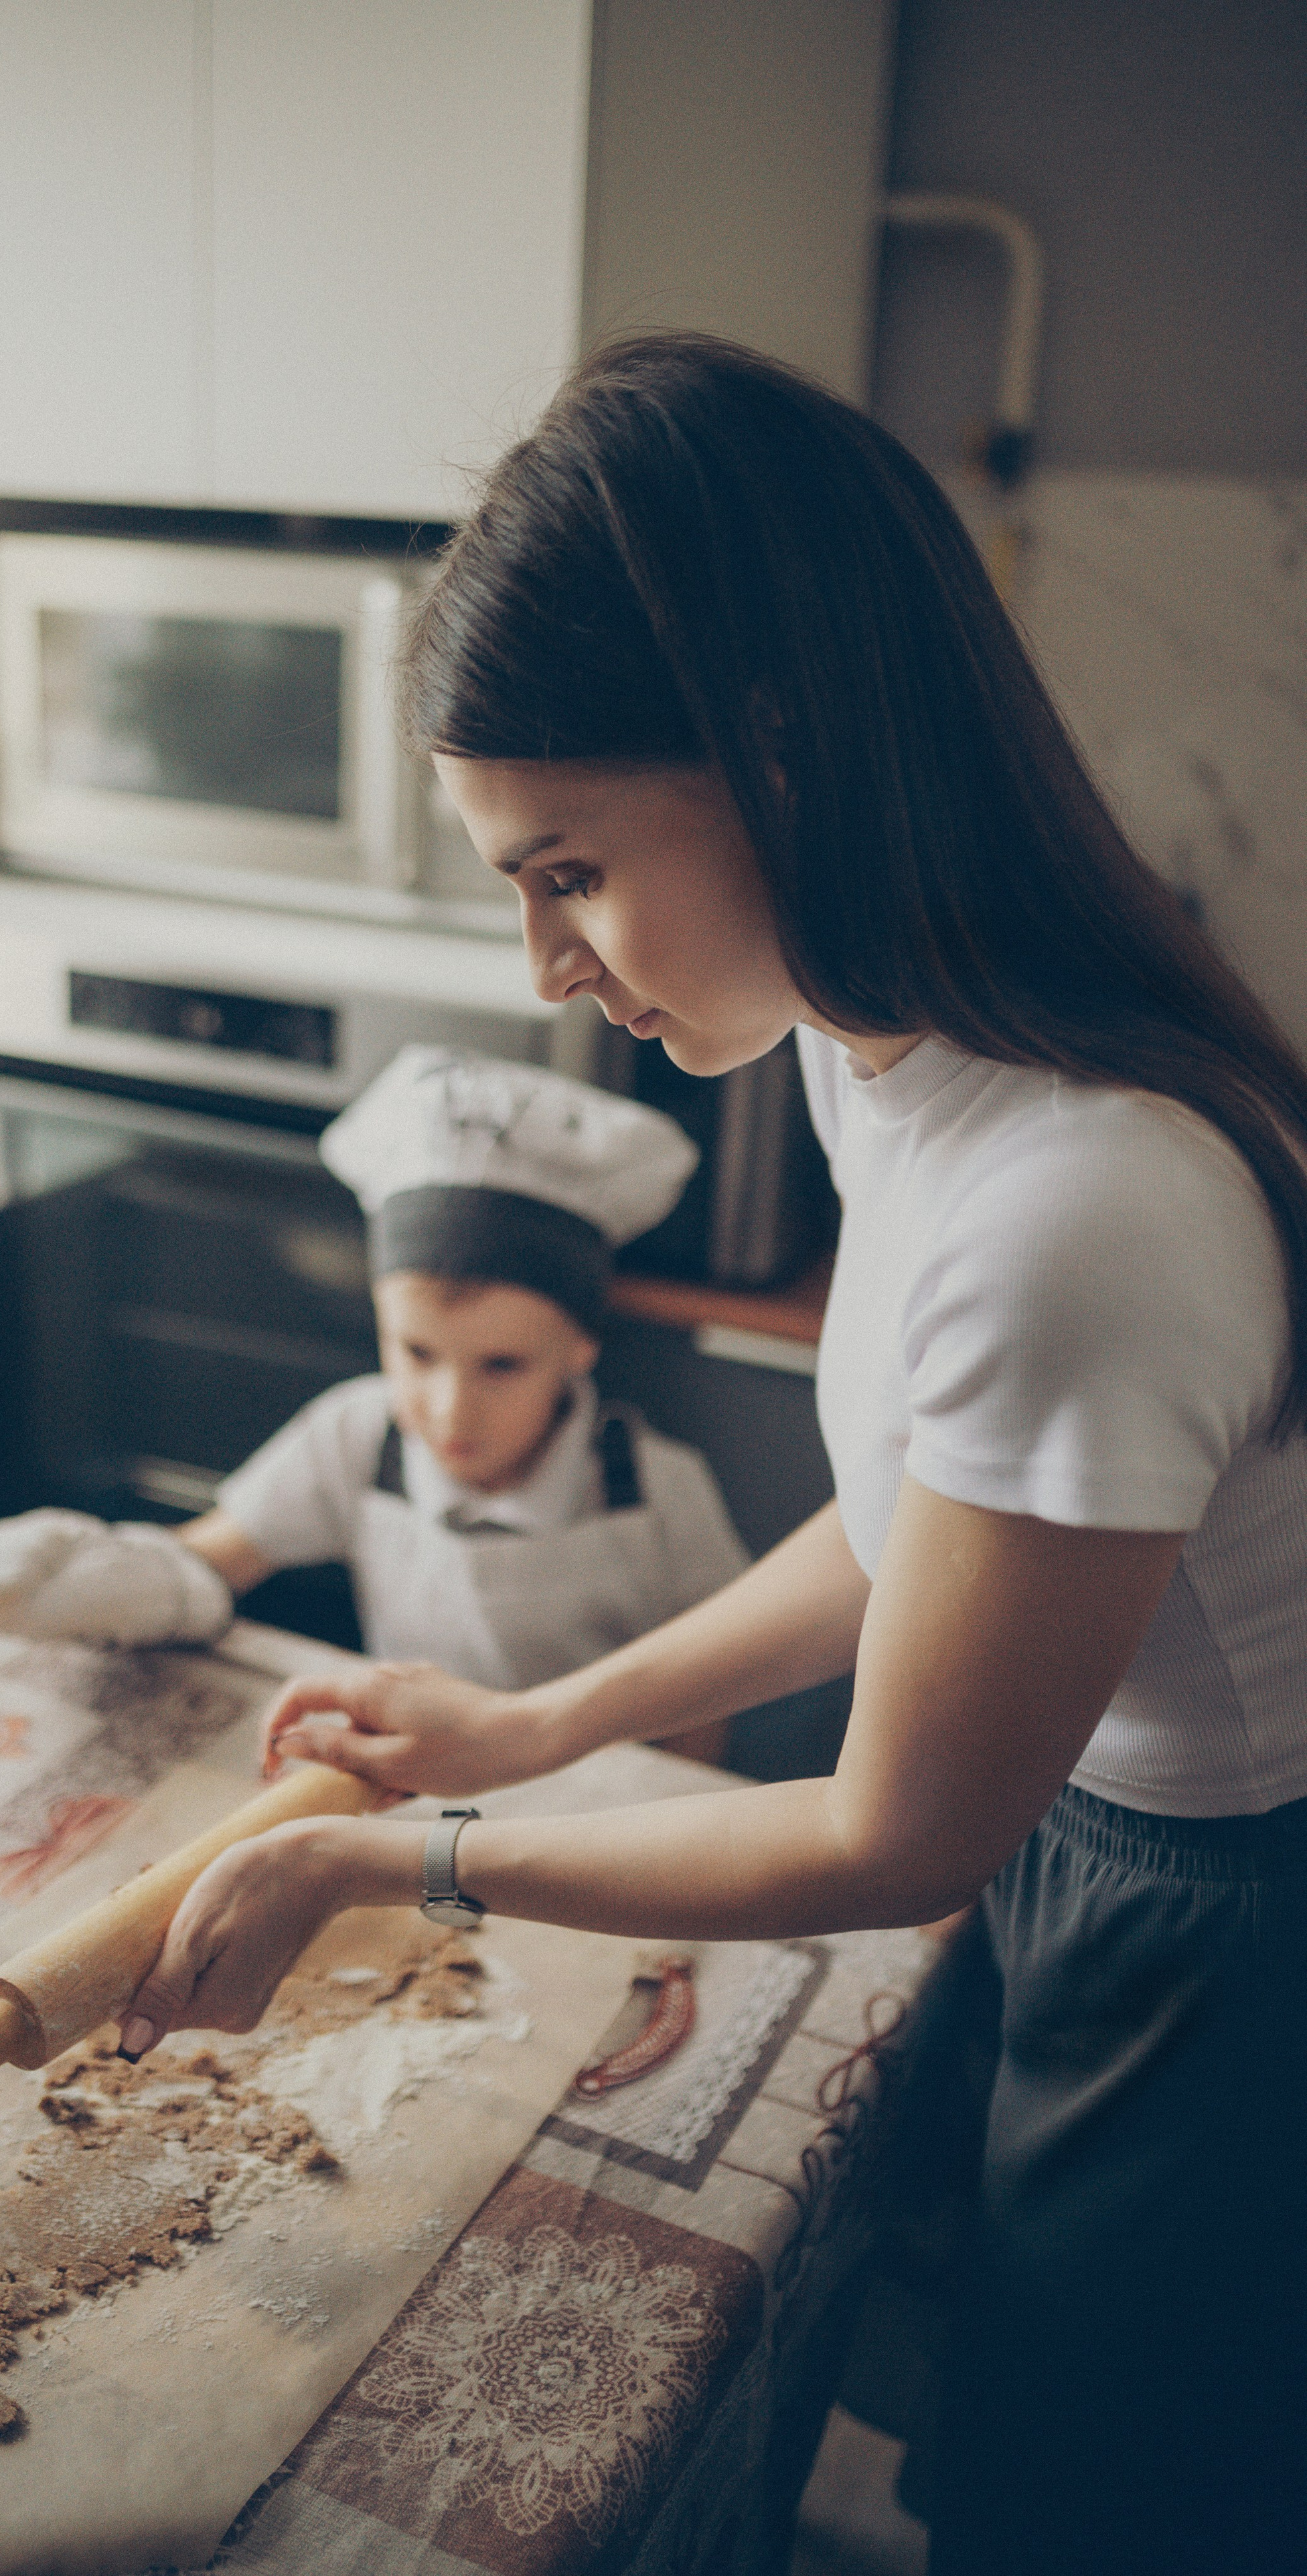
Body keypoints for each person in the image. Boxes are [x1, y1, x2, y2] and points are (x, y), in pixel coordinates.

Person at [106, 336, 1307, 2576]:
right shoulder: (881, 1044)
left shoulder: (1090, 1205)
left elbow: (892, 1825)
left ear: (785, 749)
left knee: (1116, 2492)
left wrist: (406, 1855)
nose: (548, 963)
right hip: (1108, 1843)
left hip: (1241, 1935)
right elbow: (926, 1507)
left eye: (566, 869)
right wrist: (548, 1712)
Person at [0, 1048, 749, 1713]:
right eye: (415, 1352)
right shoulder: (357, 1433)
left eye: (501, 1364)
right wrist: (77, 1579)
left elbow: (710, 1681)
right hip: (414, 1790)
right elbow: (208, 1561)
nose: (450, 1411)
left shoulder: (660, 1493)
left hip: (594, 1817)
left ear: (580, 1346)